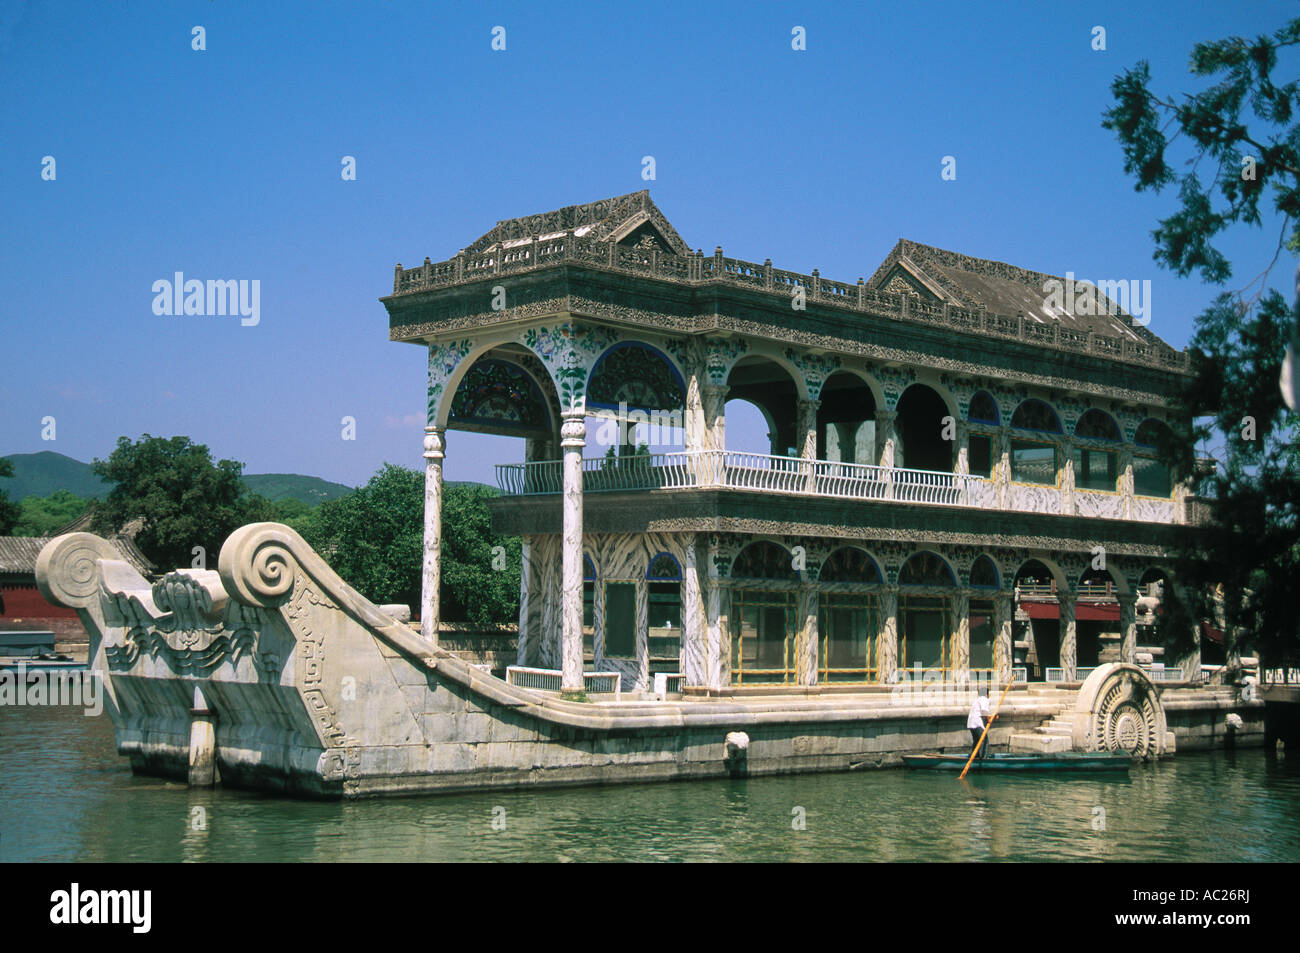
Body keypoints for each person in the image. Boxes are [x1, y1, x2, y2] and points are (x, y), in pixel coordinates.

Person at [967, 687, 995, 759]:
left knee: (976, 741)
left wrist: (991, 717)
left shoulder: (978, 700)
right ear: (987, 694)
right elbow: (984, 711)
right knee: (984, 740)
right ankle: (983, 758)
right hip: (977, 723)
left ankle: (975, 756)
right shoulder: (984, 699)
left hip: (971, 723)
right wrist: (989, 719)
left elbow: (982, 712)